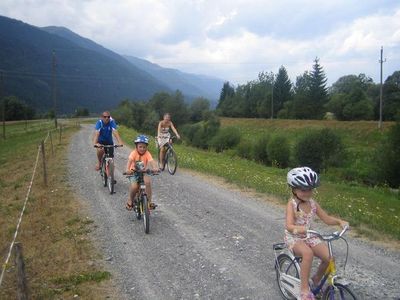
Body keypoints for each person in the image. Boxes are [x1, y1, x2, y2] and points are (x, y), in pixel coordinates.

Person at [284, 167, 349, 300]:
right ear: (294, 189)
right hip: (294, 237)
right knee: (308, 254)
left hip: (309, 236)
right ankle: (304, 290)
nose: (308, 193)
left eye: (310, 189)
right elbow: (289, 226)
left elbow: (326, 218)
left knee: (330, 257)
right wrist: (300, 229)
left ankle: (316, 279)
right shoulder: (291, 204)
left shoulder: (313, 204)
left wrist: (339, 221)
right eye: (303, 189)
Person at [125, 135, 159, 210]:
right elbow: (129, 161)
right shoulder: (133, 153)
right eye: (140, 147)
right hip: (133, 172)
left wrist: (155, 168)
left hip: (143, 171)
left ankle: (149, 202)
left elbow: (151, 161)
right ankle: (130, 200)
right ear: (136, 146)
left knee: (147, 182)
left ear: (146, 147)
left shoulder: (147, 153)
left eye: (144, 147)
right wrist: (128, 170)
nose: (142, 149)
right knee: (134, 187)